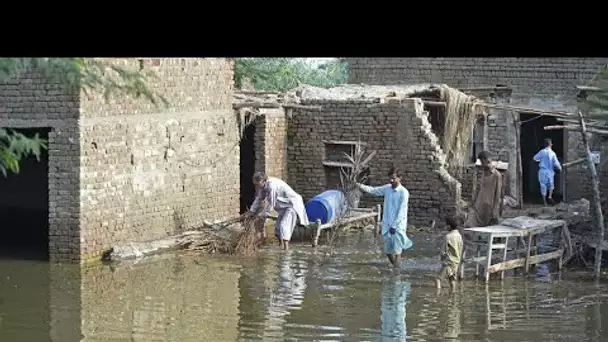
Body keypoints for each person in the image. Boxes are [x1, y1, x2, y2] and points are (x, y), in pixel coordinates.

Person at [357, 168, 413, 267]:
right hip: (387, 223)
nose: (391, 181)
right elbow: (374, 190)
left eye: (394, 178)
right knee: (387, 250)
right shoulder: (387, 188)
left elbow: (402, 211)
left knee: (397, 251)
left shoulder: (403, 192)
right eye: (390, 178)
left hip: (398, 225)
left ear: (400, 178)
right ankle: (396, 267)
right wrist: (358, 185)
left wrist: (395, 225)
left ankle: (397, 273)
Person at [243, 172, 309, 250]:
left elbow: (271, 204)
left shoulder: (272, 186)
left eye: (258, 184)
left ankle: (286, 250)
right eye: (255, 184)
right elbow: (259, 198)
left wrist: (261, 215)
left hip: (291, 205)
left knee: (284, 226)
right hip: (283, 207)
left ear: (264, 181)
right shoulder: (263, 187)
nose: (257, 186)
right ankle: (280, 246)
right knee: (277, 230)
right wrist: (252, 211)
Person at [465, 151, 504, 228]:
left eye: (486, 162)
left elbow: (498, 194)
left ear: (489, 161)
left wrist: (495, 209)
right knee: (469, 226)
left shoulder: (497, 175)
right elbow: (477, 189)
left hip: (489, 208)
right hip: (478, 207)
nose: (484, 165)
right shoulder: (481, 173)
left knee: (490, 230)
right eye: (482, 163)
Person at [435, 215, 463, 290]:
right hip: (456, 262)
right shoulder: (459, 236)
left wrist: (442, 260)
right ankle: (453, 295)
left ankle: (438, 294)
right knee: (452, 279)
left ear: (449, 226)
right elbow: (461, 248)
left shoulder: (448, 237)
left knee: (438, 279)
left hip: (448, 262)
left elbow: (443, 251)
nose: (445, 227)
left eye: (446, 225)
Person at [533, 138, 562, 206]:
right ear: (550, 144)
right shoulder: (552, 153)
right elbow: (556, 163)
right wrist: (560, 168)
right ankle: (550, 196)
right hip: (550, 171)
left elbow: (535, 158)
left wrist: (540, 161)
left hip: (542, 170)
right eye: (551, 143)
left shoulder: (542, 152)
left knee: (543, 185)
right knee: (551, 185)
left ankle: (545, 202)